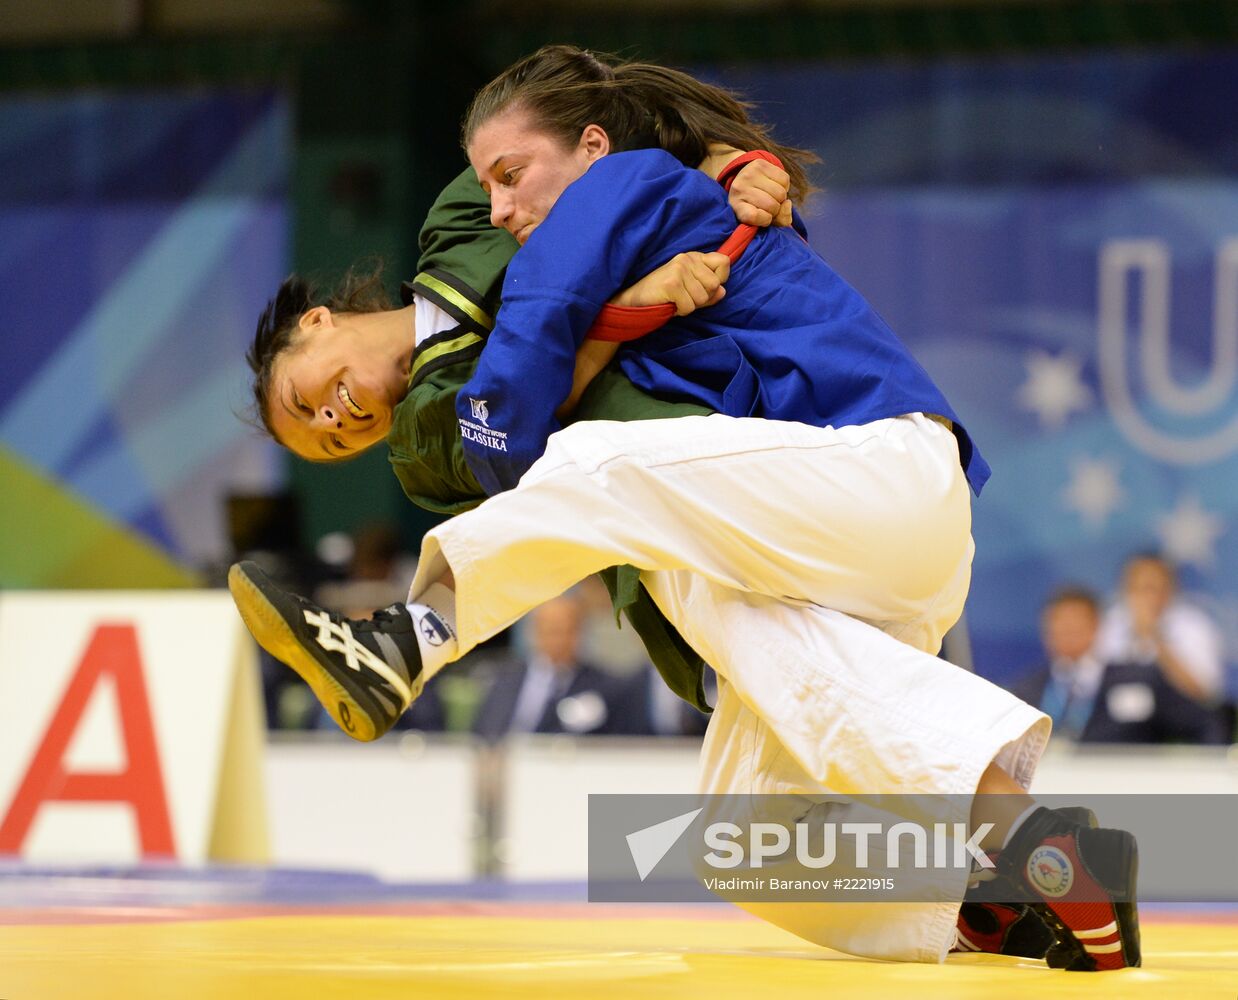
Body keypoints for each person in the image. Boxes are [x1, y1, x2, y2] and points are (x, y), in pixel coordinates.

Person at [229, 46, 1139, 970]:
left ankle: (412, 636)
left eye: (309, 400)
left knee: (595, 456)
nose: (503, 207)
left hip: (881, 471)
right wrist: (630, 304)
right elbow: (526, 384)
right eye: (325, 442)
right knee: (744, 841)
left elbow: (530, 365)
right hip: (784, 544)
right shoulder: (435, 419)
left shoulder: (583, 192)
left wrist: (738, 169)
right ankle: (1010, 890)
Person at [1086, 552, 1228, 744]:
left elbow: (1206, 694)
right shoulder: (1110, 624)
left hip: (1182, 723)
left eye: (1154, 587)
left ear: (1172, 588)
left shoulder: (1195, 625)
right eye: (1139, 588)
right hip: (1121, 728)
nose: (1148, 596)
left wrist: (1154, 637)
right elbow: (1088, 686)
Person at [472, 592, 620, 740]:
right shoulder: (505, 678)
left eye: (565, 631)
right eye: (550, 630)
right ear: (534, 632)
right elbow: (483, 730)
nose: (558, 640)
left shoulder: (602, 685)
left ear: (580, 633)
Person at [1011, 586, 1105, 741]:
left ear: (1095, 626)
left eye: (1076, 619)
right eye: (1059, 620)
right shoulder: (1025, 690)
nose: (1068, 628)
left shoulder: (1126, 680)